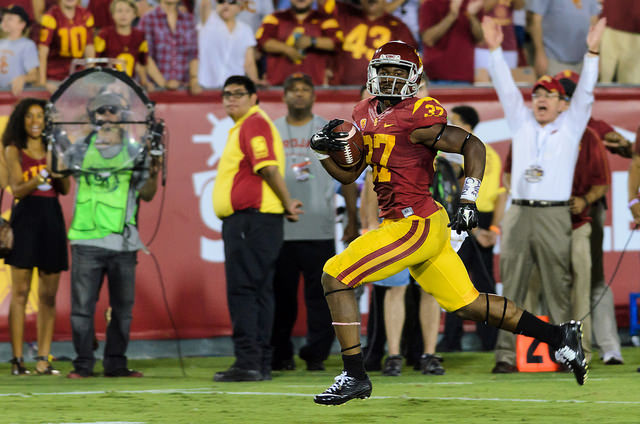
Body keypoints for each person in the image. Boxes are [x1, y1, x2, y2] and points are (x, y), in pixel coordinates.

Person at [309, 40, 588, 406]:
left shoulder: (418, 113)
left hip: (414, 224)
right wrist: (325, 152)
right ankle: (559, 337)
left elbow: (473, 145)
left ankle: (354, 375)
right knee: (469, 304)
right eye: (386, 70)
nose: (391, 78)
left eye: (399, 71)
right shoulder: (363, 111)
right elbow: (350, 175)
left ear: (414, 77)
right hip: (413, 223)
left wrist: (469, 197)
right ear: (373, 74)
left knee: (335, 274)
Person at [483, 16, 604, 374]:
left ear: (561, 104)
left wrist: (592, 52)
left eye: (548, 95)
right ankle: (505, 356)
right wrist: (493, 50)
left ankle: (568, 354)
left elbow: (585, 92)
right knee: (512, 286)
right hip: (519, 212)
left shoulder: (570, 127)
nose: (539, 99)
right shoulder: (520, 122)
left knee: (558, 287)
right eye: (535, 94)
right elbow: (506, 88)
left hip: (553, 214)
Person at [63, 91, 161, 378]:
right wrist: (53, 136)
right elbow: (57, 172)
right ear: (94, 116)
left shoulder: (135, 151)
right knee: (82, 310)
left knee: (122, 311)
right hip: (86, 239)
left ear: (123, 117)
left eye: (113, 111)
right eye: (101, 111)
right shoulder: (80, 148)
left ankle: (116, 364)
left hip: (123, 243)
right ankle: (83, 365)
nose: (106, 116)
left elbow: (148, 194)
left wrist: (154, 170)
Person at [213, 75, 303, 382]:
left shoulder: (253, 123)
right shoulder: (250, 124)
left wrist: (288, 202)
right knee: (260, 291)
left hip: (250, 220)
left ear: (255, 97)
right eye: (227, 94)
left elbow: (267, 167)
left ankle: (249, 361)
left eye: (239, 94)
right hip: (259, 222)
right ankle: (260, 361)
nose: (231, 99)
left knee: (244, 291)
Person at [270, 73, 358, 372]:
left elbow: (347, 175)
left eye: (304, 89)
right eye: (292, 89)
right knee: (281, 299)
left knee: (320, 299)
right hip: (280, 227)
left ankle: (316, 354)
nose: (298, 94)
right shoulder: (272, 130)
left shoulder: (325, 130)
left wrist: (352, 219)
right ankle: (280, 354)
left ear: (313, 95)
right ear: (283, 96)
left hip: (319, 226)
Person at [3, 98, 70, 375]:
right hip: (26, 219)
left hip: (51, 218)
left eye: (40, 117)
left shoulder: (54, 147)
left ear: (47, 121)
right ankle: (18, 360)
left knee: (48, 296)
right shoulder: (13, 149)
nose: (34, 122)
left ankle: (43, 359)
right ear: (21, 119)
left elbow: (64, 187)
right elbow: (17, 189)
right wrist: (41, 176)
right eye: (29, 116)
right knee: (19, 293)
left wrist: (58, 166)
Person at [438, 105, 505, 352]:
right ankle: (456, 339)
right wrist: (483, 230)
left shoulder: (464, 154)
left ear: (468, 126)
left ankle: (485, 340)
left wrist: (494, 229)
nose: (449, 127)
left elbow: (499, 194)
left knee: (477, 282)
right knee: (460, 281)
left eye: (454, 122)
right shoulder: (450, 155)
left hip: (476, 219)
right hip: (463, 220)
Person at [324, 0, 416, 86]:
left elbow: (411, 63)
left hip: (381, 94)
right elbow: (324, 4)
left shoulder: (398, 28)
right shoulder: (345, 15)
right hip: (341, 91)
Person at [255, 0, 342, 86]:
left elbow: (337, 42)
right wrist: (286, 49)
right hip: (279, 84)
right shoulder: (275, 17)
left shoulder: (325, 19)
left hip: (314, 85)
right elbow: (262, 40)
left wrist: (312, 41)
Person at [138, 0, 201, 94]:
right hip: (155, 90)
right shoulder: (148, 19)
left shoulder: (189, 19)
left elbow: (193, 53)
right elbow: (144, 56)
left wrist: (194, 80)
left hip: (184, 89)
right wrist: (164, 84)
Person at [197, 0, 262, 89]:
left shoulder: (246, 30)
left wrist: (254, 81)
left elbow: (249, 63)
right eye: (221, 1)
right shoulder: (208, 21)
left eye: (232, 2)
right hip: (207, 86)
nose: (225, 5)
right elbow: (205, 3)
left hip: (234, 89)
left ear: (240, 7)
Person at [527, 0, 600, 77]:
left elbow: (594, 24)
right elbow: (535, 22)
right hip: (553, 59)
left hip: (583, 61)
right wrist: (539, 52)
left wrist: (595, 56)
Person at [94, 0, 156, 89]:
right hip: (106, 85)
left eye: (127, 11)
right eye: (119, 11)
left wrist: (145, 81)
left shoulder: (139, 36)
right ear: (112, 14)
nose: (123, 15)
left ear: (134, 14)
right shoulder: (104, 34)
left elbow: (142, 62)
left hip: (130, 85)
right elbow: (95, 62)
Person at [418, 0, 484, 83]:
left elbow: (480, 39)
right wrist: (452, 15)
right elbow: (428, 40)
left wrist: (472, 16)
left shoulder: (472, 4)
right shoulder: (430, 4)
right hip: (436, 77)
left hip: (465, 77)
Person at [38, 0, 95, 90]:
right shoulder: (51, 16)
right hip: (55, 77)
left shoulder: (86, 15)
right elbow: (43, 51)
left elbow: (89, 47)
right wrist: (42, 81)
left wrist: (91, 75)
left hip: (79, 76)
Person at [0, 5, 39, 96]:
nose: (4, 22)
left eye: (9, 19)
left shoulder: (27, 45)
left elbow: (34, 75)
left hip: (14, 96)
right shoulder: (1, 43)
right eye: (3, 19)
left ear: (22, 25)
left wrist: (23, 78)